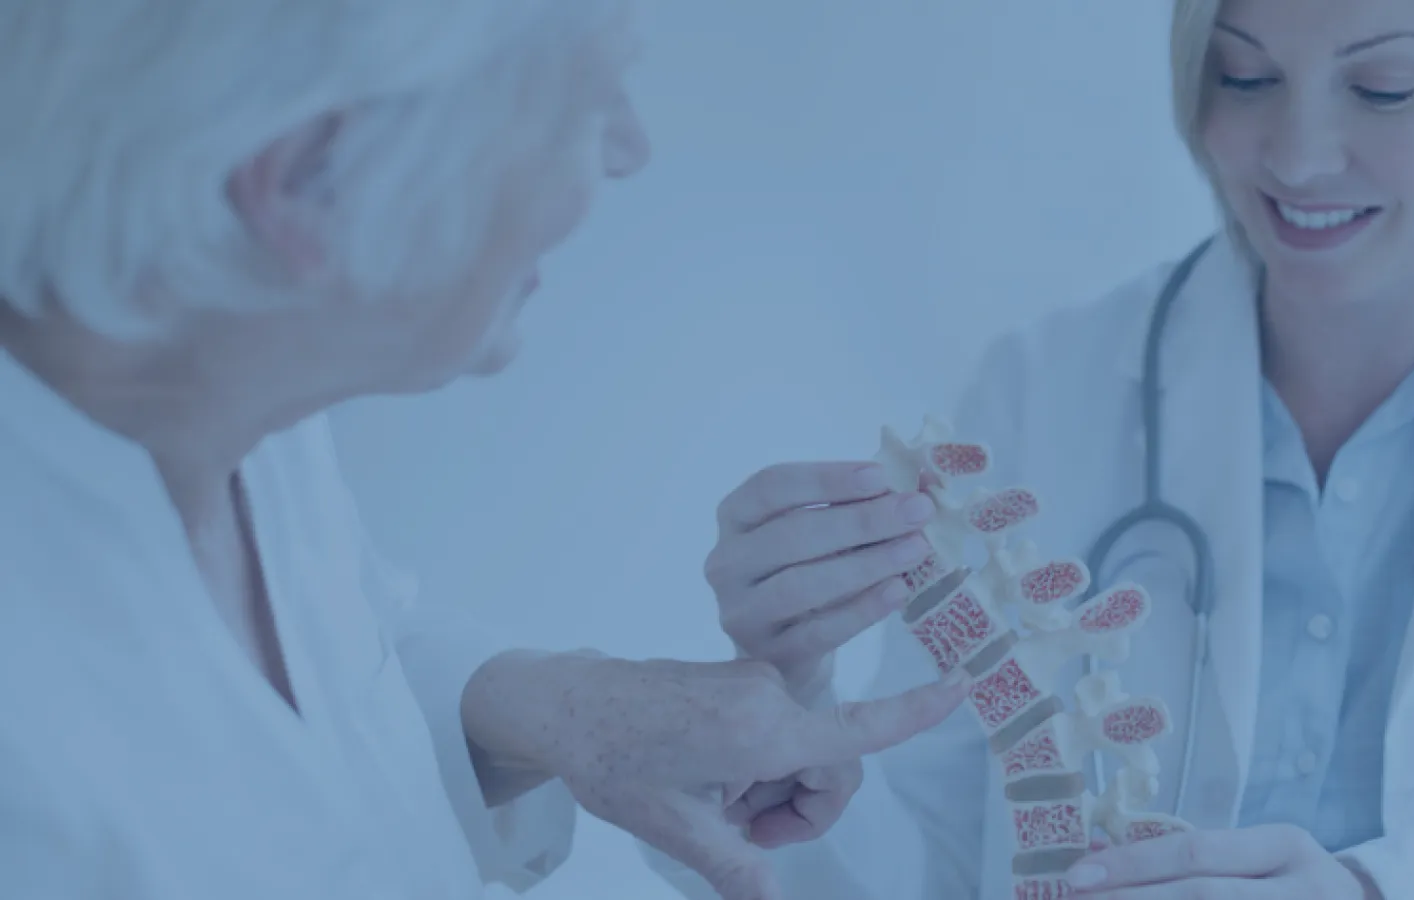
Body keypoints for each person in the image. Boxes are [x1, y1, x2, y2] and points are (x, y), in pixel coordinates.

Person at [0, 2, 971, 899]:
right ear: (304, 182)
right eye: (582, 108)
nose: (629, 148)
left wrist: (569, 710)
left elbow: (328, 690)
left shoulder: (223, 389)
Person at [643, 0, 1414, 897]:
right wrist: (797, 715)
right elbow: (926, 860)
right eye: (1244, 77)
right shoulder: (1042, 392)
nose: (1299, 159)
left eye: (1384, 88)